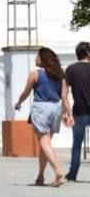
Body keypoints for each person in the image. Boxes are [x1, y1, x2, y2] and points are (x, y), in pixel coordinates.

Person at [14, 46, 69, 187]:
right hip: (55, 107)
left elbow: (26, 92)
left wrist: (19, 103)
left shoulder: (35, 74)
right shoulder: (60, 75)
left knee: (44, 143)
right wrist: (66, 113)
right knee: (46, 144)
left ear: (44, 59)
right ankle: (40, 176)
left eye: (37, 57)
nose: (35, 59)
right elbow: (64, 96)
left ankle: (58, 172)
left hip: (41, 108)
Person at [62, 41, 90, 181]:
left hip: (79, 112)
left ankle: (73, 173)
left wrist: (67, 113)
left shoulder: (70, 69)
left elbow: (64, 95)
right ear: (88, 53)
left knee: (77, 144)